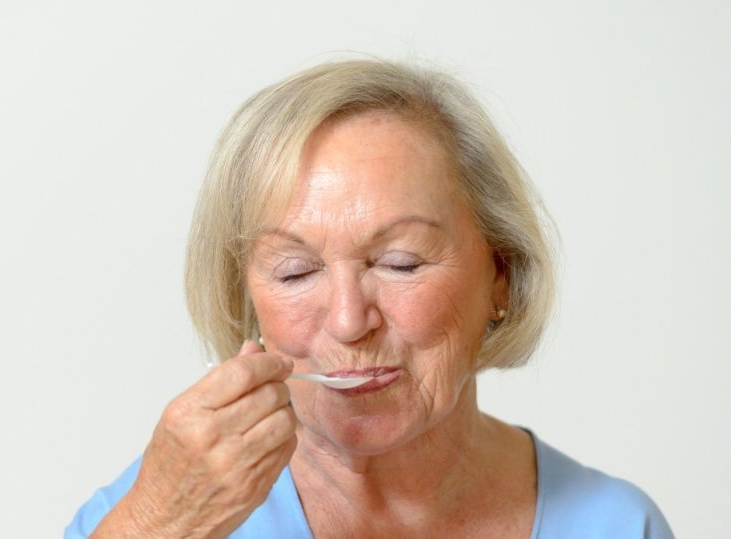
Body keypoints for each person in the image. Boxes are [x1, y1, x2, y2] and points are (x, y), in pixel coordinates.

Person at [66, 59, 674, 538]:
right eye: (296, 272)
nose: (348, 321)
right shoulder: (149, 516)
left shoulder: (618, 525)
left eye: (399, 263)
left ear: (502, 275)